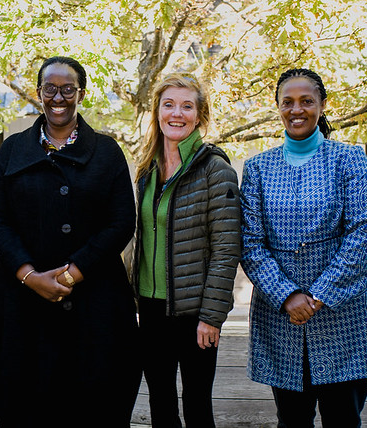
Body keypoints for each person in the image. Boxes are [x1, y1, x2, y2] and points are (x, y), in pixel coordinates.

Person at [0, 56, 141, 427]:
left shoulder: (107, 152)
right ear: (39, 93)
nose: (58, 97)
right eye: (50, 89)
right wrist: (30, 275)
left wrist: (72, 273)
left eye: (68, 89)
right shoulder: (13, 150)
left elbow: (121, 222)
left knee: (98, 401)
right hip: (22, 305)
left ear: (81, 94)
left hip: (96, 305)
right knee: (24, 399)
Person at [240, 68, 367, 427]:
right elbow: (250, 243)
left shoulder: (349, 159)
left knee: (343, 418)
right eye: (288, 102)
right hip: (282, 319)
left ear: (322, 105)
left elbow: (366, 234)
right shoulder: (257, 168)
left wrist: (319, 295)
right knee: (292, 420)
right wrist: (287, 296)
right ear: (278, 107)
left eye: (306, 101)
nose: (297, 110)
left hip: (344, 316)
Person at [131, 73, 241, 427]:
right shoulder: (147, 169)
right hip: (150, 309)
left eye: (187, 106)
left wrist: (212, 317)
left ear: (199, 115)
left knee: (197, 405)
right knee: (160, 403)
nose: (176, 114)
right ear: (157, 111)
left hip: (195, 312)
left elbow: (227, 249)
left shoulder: (215, 170)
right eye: (168, 105)